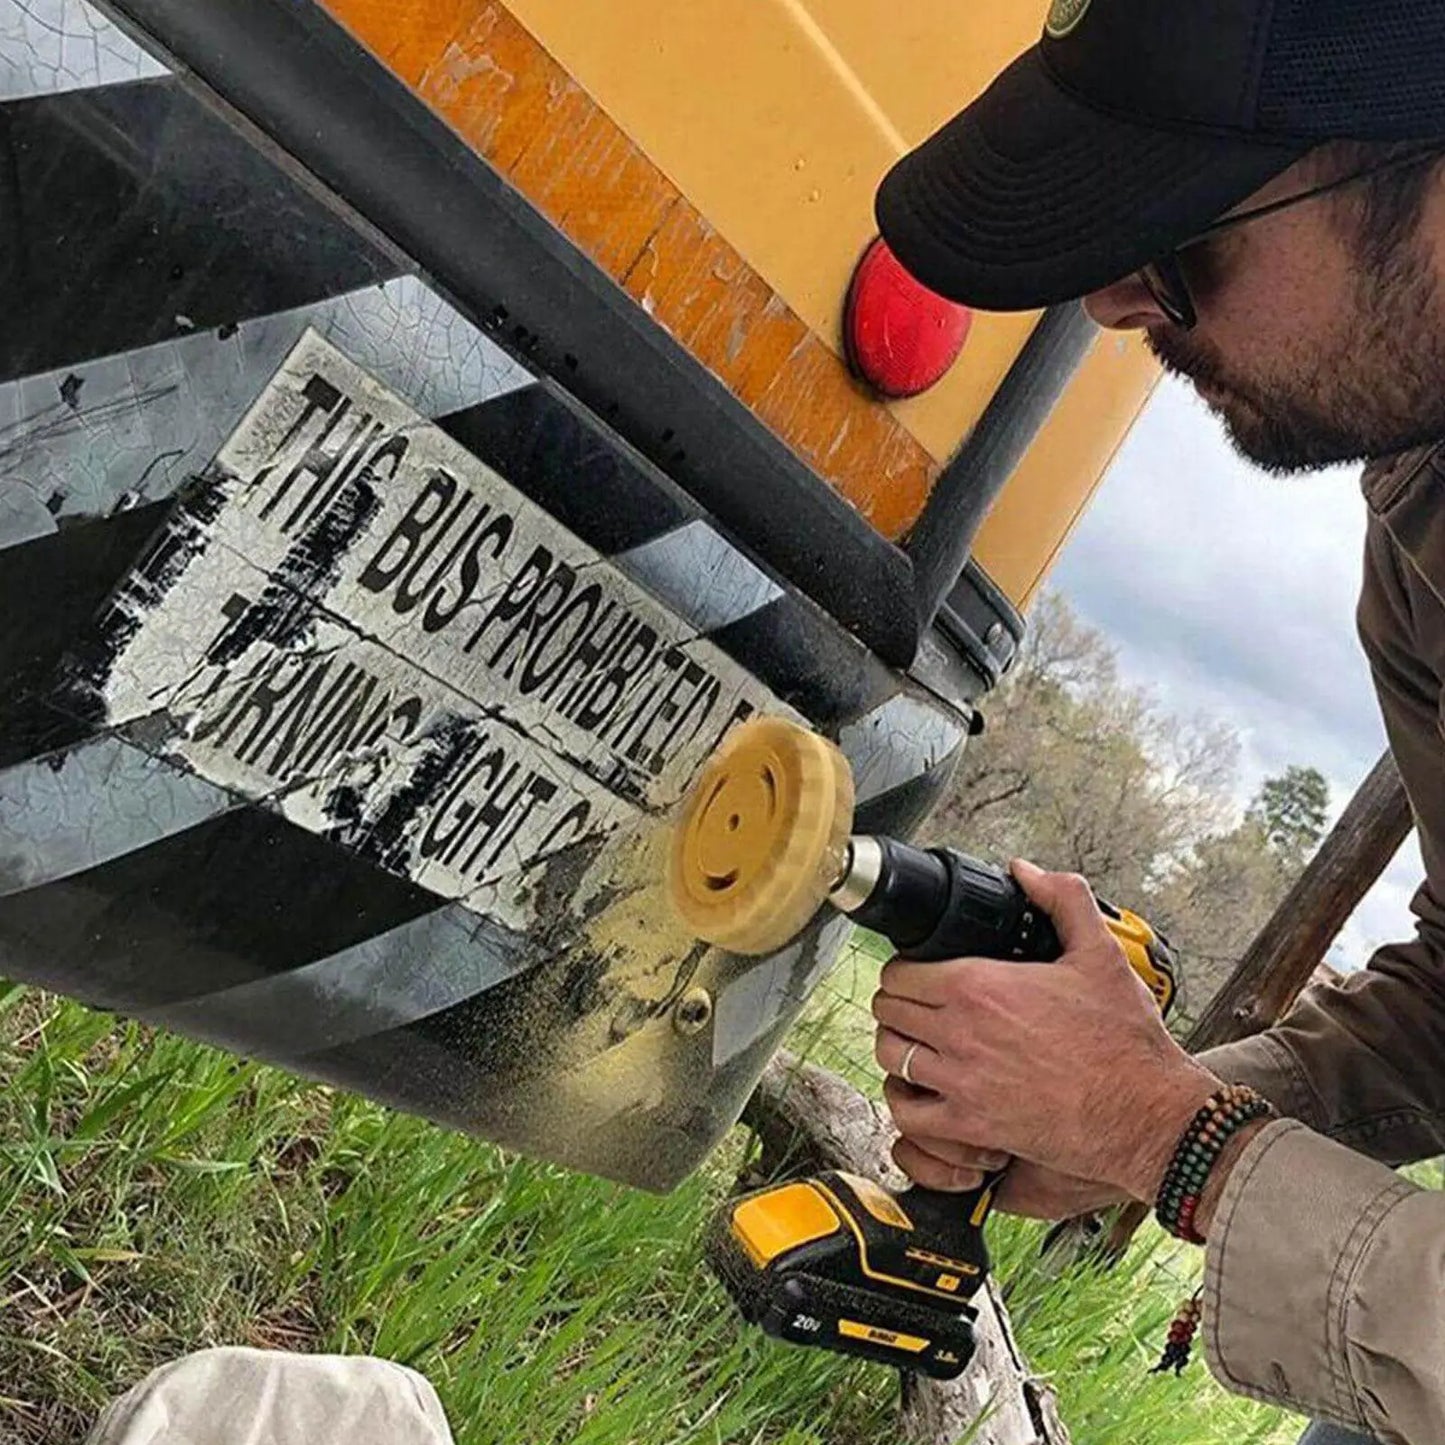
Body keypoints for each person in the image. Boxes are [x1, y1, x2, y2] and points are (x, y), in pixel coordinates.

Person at [865, 4, 1445, 1444]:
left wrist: (1170, 1143)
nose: (1111, 307)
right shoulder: (1422, 555)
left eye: (1175, 241)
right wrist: (1135, 1107)